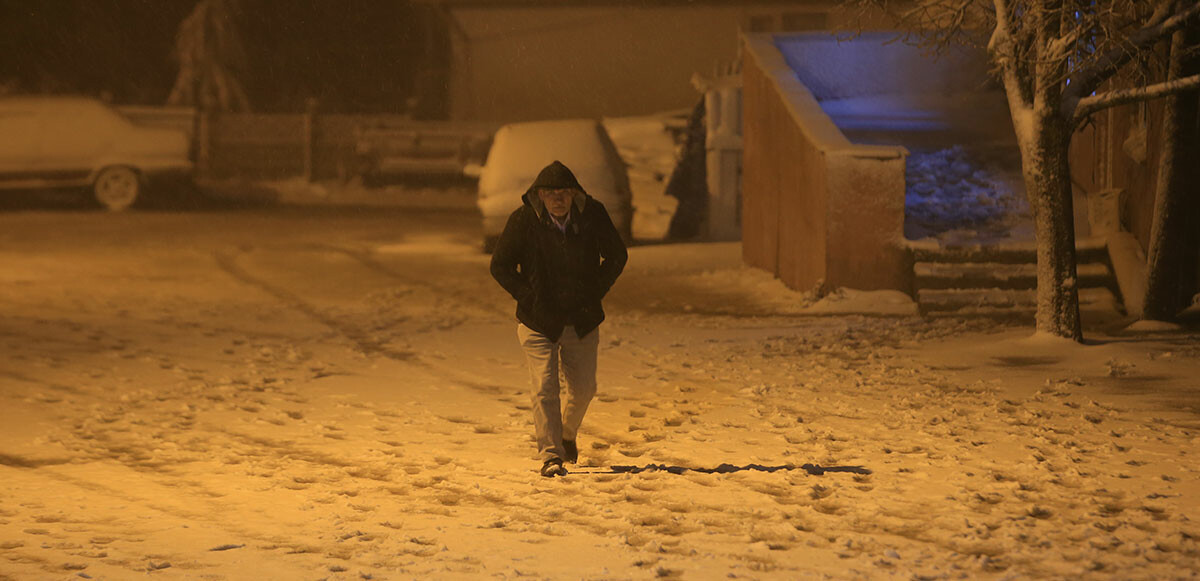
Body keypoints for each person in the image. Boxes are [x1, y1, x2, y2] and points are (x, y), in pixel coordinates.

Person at [490, 160, 628, 478]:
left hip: (581, 320)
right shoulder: (523, 221)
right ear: (539, 195)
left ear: (574, 195)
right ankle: (552, 455)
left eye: (564, 192)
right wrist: (529, 297)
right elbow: (500, 266)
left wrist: (594, 290)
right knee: (544, 388)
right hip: (537, 322)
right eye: (551, 193)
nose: (558, 199)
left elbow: (617, 255)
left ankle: (567, 434)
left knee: (584, 389)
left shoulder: (592, 216)